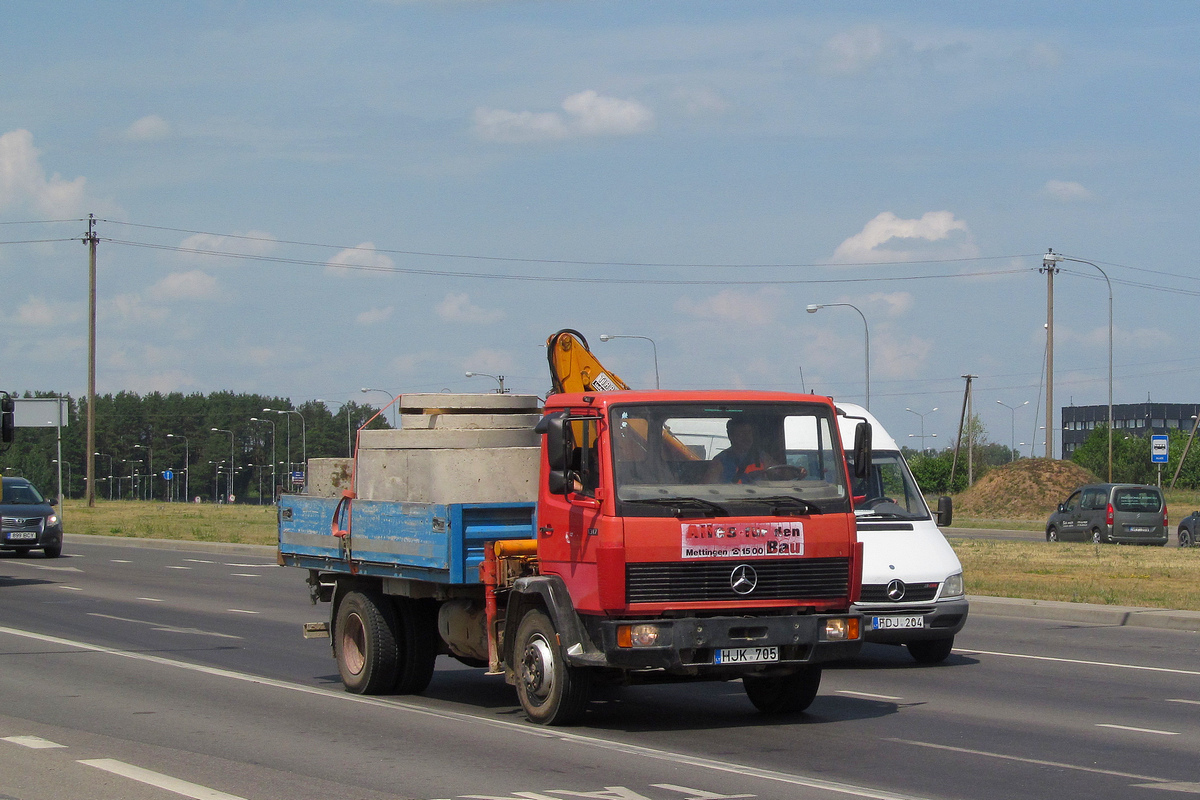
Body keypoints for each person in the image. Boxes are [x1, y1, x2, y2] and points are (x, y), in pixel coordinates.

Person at [703, 418, 779, 483]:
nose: (747, 437)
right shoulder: (719, 461)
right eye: (741, 433)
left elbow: (781, 473)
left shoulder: (762, 457)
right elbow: (708, 488)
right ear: (731, 436)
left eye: (749, 432)